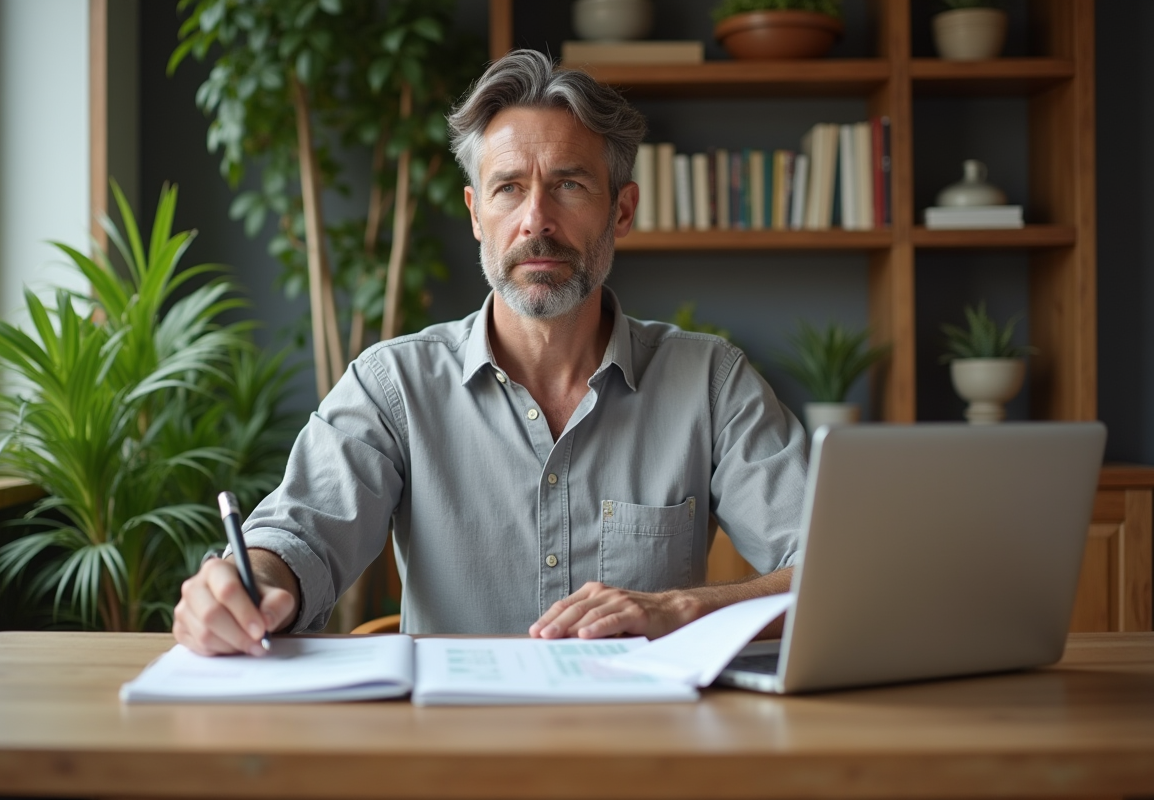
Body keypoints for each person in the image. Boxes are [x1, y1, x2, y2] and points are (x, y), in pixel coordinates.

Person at [173, 49, 808, 657]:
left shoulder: (711, 384)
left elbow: (832, 567)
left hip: (639, 745)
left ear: (622, 210)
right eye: (508, 188)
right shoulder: (392, 386)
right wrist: (245, 584)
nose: (536, 219)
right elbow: (297, 537)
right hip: (451, 750)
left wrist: (684, 610)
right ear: (477, 213)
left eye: (569, 184)